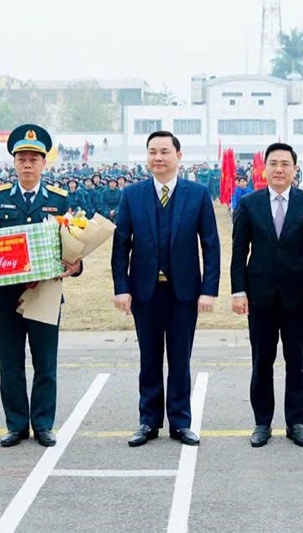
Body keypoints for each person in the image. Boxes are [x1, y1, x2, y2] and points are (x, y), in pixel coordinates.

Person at [0, 124, 83, 448]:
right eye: (22, 158)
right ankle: (16, 425)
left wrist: (76, 266)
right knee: (11, 362)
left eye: (34, 158)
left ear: (44, 163)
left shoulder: (59, 201)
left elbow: (74, 243)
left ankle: (43, 424)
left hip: (46, 295)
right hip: (6, 297)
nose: (28, 164)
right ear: (14, 163)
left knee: (45, 363)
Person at [112, 130, 220, 447]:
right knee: (149, 358)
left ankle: (180, 422)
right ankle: (148, 422)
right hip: (144, 293)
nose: (158, 158)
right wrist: (122, 287)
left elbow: (211, 245)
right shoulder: (132, 195)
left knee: (179, 359)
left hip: (184, 292)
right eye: (152, 152)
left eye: (164, 151)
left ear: (178, 156)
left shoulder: (197, 194)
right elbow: (121, 247)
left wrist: (209, 289)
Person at [230, 142, 303, 448]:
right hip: (259, 296)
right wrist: (238, 291)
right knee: (262, 360)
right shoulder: (249, 204)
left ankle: (295, 422)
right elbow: (238, 252)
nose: (279, 169)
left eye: (285, 164)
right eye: (273, 163)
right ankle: (262, 423)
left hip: (298, 296)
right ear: (263, 168)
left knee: (296, 360)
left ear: (295, 170)